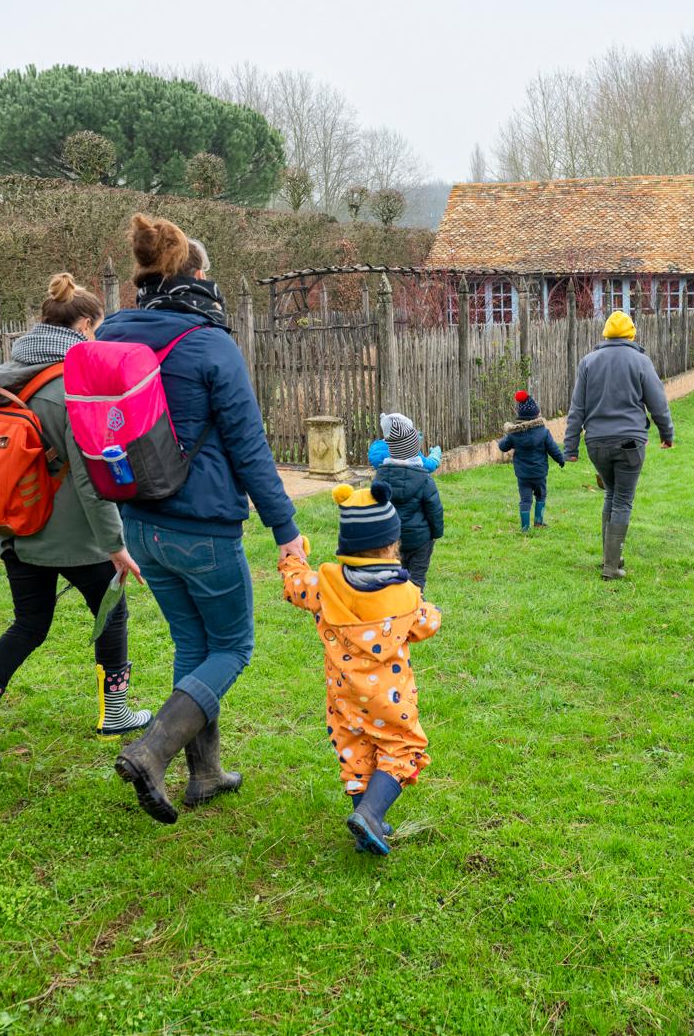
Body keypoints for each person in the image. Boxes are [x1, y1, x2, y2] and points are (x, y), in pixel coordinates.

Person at [101, 216, 302, 824]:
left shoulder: (110, 333)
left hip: (140, 522)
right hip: (202, 527)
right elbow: (249, 446)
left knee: (193, 644)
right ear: (196, 273)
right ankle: (153, 751)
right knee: (233, 647)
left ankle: (206, 774)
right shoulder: (210, 343)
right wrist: (286, 529)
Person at [0, 274, 151, 772]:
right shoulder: (72, 388)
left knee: (29, 625)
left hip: (14, 529)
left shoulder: (2, 380)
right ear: (86, 325)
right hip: (72, 535)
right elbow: (91, 480)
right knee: (111, 612)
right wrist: (116, 545)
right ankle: (116, 711)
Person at [277, 483, 443, 856]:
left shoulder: (324, 586)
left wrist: (293, 558)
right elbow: (427, 624)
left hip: (343, 697)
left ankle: (367, 826)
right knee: (403, 749)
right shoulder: (405, 595)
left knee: (356, 752)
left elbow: (294, 586)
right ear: (392, 545)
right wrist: (431, 611)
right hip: (390, 698)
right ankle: (370, 813)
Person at [563, 310, 674, 580]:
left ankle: (609, 559)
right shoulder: (641, 361)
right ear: (631, 334)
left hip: (596, 443)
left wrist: (570, 447)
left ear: (606, 334)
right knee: (622, 499)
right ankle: (612, 568)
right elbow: (658, 402)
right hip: (629, 442)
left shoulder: (588, 362)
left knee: (611, 494)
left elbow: (577, 408)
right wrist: (666, 433)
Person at [371, 412, 443, 589]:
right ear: (414, 448)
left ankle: (395, 604)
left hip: (390, 541)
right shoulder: (424, 479)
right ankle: (417, 604)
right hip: (420, 541)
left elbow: (375, 509)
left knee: (394, 580)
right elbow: (434, 510)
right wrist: (436, 533)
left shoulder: (379, 478)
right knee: (416, 580)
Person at [496, 389, 566, 531]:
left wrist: (508, 433)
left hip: (523, 475)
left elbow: (502, 446)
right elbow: (553, 449)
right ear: (536, 414)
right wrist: (561, 460)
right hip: (539, 473)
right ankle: (539, 522)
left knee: (525, 499)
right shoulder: (543, 432)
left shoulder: (514, 434)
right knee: (541, 495)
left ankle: (525, 527)